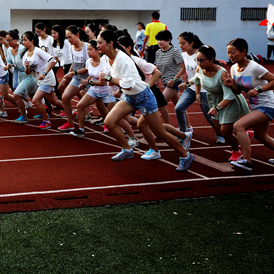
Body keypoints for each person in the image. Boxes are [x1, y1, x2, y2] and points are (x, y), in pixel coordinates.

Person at [95, 30, 194, 171]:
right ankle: (127, 150)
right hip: (130, 97)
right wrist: (108, 80)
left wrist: (109, 78)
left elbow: (127, 83)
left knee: (160, 132)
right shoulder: (105, 58)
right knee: (109, 122)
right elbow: (115, 79)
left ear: (110, 43)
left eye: (100, 43)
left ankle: (185, 155)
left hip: (143, 97)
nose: (97, 45)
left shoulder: (123, 59)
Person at [180, 45, 250, 162]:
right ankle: (244, 134)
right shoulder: (199, 69)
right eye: (197, 60)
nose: (199, 63)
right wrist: (187, 84)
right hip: (213, 100)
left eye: (202, 60)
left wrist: (217, 108)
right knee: (219, 131)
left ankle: (236, 151)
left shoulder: (221, 73)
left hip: (227, 103)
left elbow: (230, 95)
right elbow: (198, 78)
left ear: (212, 59)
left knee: (224, 132)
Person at [226, 38, 274, 170]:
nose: (230, 55)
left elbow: (273, 80)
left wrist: (259, 89)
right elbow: (238, 91)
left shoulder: (254, 67)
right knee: (261, 136)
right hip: (257, 107)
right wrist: (232, 86)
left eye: (233, 52)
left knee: (239, 126)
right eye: (228, 53)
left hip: (268, 104)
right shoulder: (234, 68)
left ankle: (246, 161)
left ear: (243, 52)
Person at [175, 32, 224, 144]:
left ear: (192, 43)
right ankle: (183, 133)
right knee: (178, 108)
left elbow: (200, 75)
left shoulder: (199, 55)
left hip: (204, 90)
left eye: (183, 43)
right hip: (191, 89)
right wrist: (186, 82)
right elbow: (189, 72)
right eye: (179, 43)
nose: (181, 46)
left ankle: (220, 134)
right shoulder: (183, 55)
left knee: (209, 117)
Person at [22, 30, 63, 129]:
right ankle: (71, 111)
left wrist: (44, 73)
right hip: (39, 80)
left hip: (47, 78)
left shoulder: (38, 51)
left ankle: (46, 121)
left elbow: (52, 60)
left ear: (32, 41)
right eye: (22, 40)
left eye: (25, 40)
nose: (23, 42)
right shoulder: (25, 54)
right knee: (53, 101)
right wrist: (27, 67)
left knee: (36, 100)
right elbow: (27, 72)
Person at [57, 26, 88, 131]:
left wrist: (73, 73)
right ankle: (70, 122)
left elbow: (89, 67)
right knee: (65, 97)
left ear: (77, 35)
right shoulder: (71, 48)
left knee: (100, 102)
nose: (68, 40)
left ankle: (108, 122)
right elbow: (73, 64)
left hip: (89, 78)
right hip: (77, 77)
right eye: (67, 38)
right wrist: (68, 76)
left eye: (70, 37)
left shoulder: (87, 48)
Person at [154, 29, 185, 124]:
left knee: (159, 104)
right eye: (158, 39)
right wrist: (156, 79)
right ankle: (187, 127)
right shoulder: (158, 52)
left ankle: (162, 126)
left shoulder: (174, 51)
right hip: (164, 81)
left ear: (169, 40)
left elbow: (183, 68)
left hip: (173, 83)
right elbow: (157, 67)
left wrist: (174, 79)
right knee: (179, 106)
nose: (159, 42)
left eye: (162, 40)